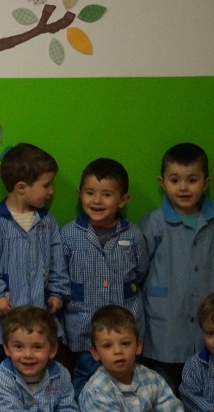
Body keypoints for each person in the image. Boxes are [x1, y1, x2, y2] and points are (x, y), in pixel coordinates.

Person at [140, 143, 214, 389]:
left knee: (205, 391)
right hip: (164, 332)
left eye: (192, 180)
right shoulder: (154, 223)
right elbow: (139, 267)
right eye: (175, 180)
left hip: (208, 330)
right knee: (162, 391)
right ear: (162, 182)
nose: (183, 187)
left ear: (206, 182)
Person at [0, 143, 67, 371]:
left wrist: (57, 291)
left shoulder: (47, 222)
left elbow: (57, 259)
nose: (51, 191)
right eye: (46, 185)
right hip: (4, 319)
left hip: (40, 315)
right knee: (0, 370)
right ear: (21, 188)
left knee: (40, 368)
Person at [59, 158, 148, 396]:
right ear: (80, 195)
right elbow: (60, 276)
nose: (97, 201)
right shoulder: (68, 235)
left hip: (123, 331)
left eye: (106, 195)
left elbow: (141, 273)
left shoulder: (133, 235)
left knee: (124, 380)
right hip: (84, 330)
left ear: (123, 200)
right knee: (86, 378)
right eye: (90, 193)